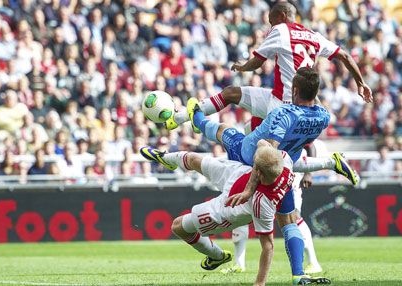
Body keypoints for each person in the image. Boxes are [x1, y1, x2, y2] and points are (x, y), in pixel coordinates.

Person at [143, 68, 335, 285]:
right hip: (282, 171)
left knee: (223, 131)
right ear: (316, 92)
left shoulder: (285, 114)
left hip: (250, 156)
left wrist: (250, 188)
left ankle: (197, 120)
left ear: (294, 89)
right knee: (290, 222)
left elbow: (265, 153)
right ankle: (298, 275)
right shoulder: (323, 117)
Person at [167, 2, 371, 131]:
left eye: (271, 21)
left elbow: (258, 61)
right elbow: (345, 55)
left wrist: (242, 67)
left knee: (230, 95)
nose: (270, 26)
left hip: (282, 104)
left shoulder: (281, 30)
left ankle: (183, 117)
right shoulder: (313, 35)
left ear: (282, 16)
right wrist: (361, 83)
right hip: (297, 105)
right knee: (251, 126)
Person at [143, 141, 295, 286]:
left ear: (259, 172)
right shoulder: (284, 159)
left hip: (229, 209)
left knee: (177, 226)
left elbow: (268, 246)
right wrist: (249, 188)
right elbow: (262, 143)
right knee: (193, 159)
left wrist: (260, 283)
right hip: (238, 175)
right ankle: (165, 158)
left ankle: (217, 256)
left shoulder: (262, 203)